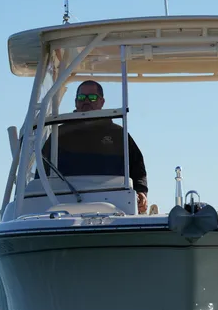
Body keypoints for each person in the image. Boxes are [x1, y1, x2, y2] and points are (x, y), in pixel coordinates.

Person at [40, 80, 149, 213]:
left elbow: (137, 167)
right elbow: (41, 173)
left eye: (92, 97)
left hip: (114, 206)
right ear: (76, 102)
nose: (86, 101)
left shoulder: (118, 134)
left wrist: (141, 192)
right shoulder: (58, 135)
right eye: (81, 97)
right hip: (63, 207)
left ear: (101, 102)